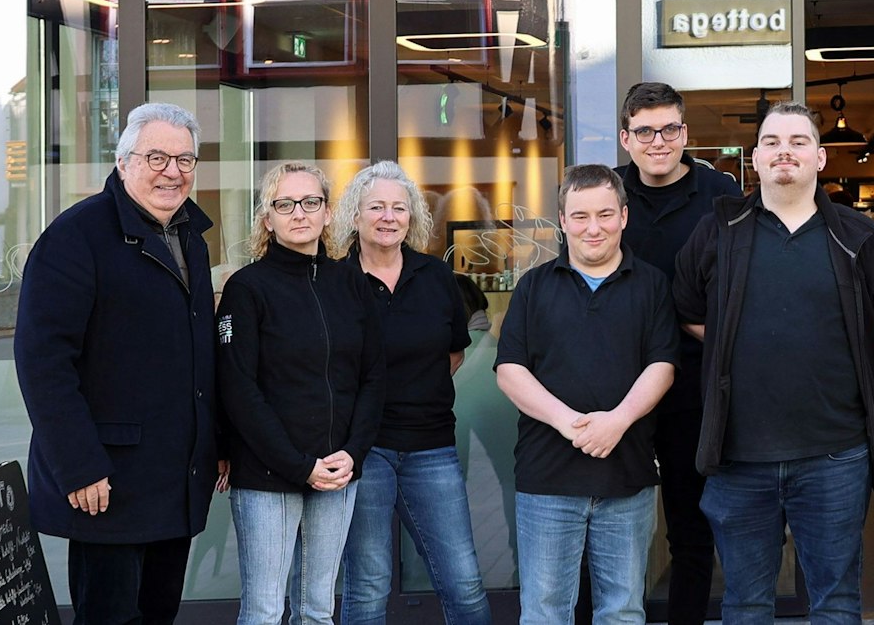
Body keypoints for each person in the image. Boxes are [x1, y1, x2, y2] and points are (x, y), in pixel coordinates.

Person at [673, 102, 874, 625]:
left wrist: (844, 338)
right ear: (755, 158)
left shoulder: (860, 238)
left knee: (836, 602)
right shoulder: (719, 231)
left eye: (799, 141)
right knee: (746, 604)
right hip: (739, 456)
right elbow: (689, 311)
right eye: (773, 142)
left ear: (821, 158)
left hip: (835, 456)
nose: (785, 151)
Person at [14, 102, 225, 625]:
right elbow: (43, 363)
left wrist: (215, 443)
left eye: (184, 159)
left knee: (157, 615)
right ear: (124, 161)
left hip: (174, 480)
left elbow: (200, 359)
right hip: (107, 484)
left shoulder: (191, 239)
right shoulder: (76, 236)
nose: (172, 172)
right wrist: (80, 466)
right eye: (156, 157)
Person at [496, 164, 677, 625]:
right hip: (548, 478)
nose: (592, 227)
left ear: (623, 215)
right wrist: (568, 423)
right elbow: (510, 370)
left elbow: (662, 366)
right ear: (562, 220)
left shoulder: (653, 284)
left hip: (626, 476)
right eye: (579, 216)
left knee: (622, 611)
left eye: (604, 214)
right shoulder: (534, 286)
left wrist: (616, 421)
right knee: (544, 612)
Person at [216, 161, 384, 625]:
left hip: (336, 471)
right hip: (270, 478)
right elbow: (238, 389)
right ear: (267, 218)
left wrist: (354, 452)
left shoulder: (351, 283)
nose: (299, 213)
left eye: (311, 202)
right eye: (284, 204)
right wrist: (297, 465)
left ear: (328, 213)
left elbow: (373, 377)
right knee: (265, 613)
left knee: (318, 611)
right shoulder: (247, 288)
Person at [333, 162, 492, 625]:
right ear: (356, 216)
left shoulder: (436, 277)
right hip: (363, 450)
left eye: (399, 207)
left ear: (412, 216)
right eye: (376, 206)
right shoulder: (336, 282)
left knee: (463, 583)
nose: (388, 216)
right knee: (367, 586)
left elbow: (454, 353)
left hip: (431, 446)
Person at [613, 81, 741, 625]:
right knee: (611, 528)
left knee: (691, 530)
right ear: (626, 138)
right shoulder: (607, 194)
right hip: (619, 387)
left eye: (669, 129)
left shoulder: (721, 195)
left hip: (695, 386)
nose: (658, 141)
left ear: (685, 133)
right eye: (645, 131)